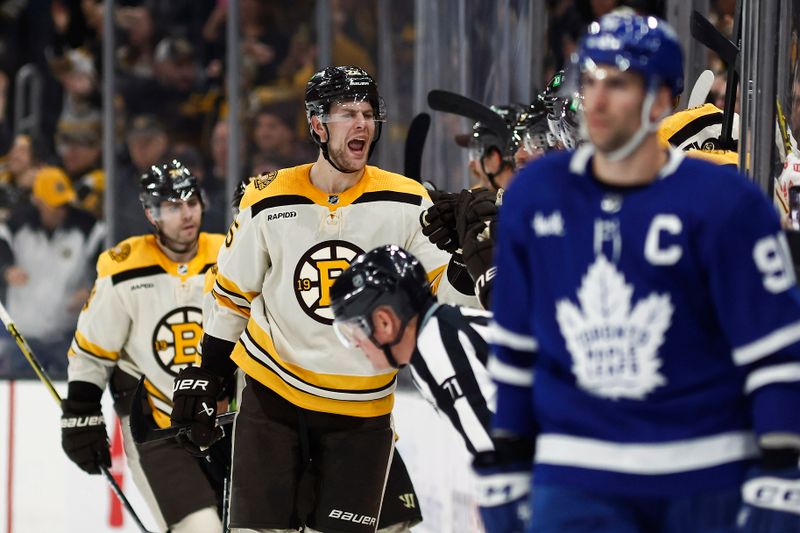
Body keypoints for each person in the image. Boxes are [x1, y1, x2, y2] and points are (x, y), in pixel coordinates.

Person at [490, 12, 800, 532]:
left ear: (660, 100)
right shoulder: (534, 195)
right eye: (589, 81)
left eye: (619, 83)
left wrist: (781, 468)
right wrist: (507, 455)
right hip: (575, 477)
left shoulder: (727, 204)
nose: (598, 100)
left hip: (705, 477)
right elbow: (516, 346)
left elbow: (773, 350)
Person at [170, 65, 476, 533]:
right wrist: (207, 374)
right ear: (317, 125)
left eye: (369, 114)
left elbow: (444, 295)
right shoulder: (267, 198)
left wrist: (466, 259)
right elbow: (231, 296)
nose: (362, 125)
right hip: (274, 398)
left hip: (362, 411)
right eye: (348, 113)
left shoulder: (407, 201)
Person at [60, 160, 226, 533]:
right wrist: (80, 413)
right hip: (157, 428)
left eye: (191, 202)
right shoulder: (123, 268)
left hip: (228, 423)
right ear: (151, 213)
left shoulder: (231, 255)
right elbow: (92, 352)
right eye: (172, 206)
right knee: (201, 529)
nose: (186, 214)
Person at [330, 244, 533, 532]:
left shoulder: (439, 348)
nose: (356, 344)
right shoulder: (441, 331)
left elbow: (510, 456)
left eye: (354, 330)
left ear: (384, 321)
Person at [0, 166, 104, 378]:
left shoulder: (87, 228)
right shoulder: (16, 225)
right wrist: (6, 269)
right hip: (23, 336)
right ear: (38, 201)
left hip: (66, 334)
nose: (61, 210)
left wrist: (93, 288)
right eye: (54, 205)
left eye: (64, 204)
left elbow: (108, 260)